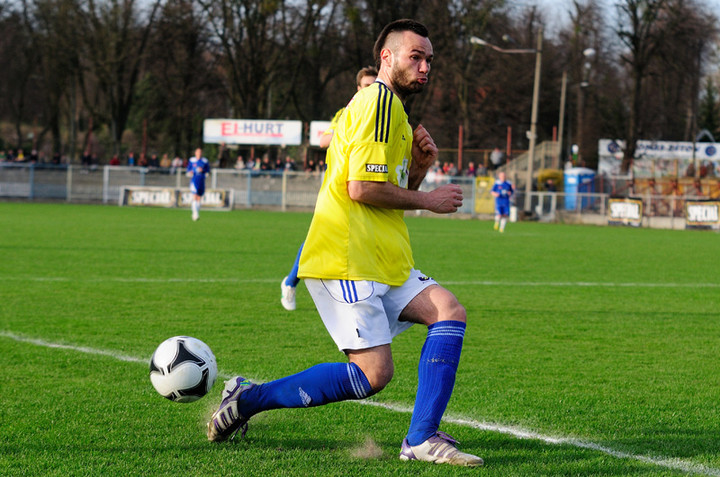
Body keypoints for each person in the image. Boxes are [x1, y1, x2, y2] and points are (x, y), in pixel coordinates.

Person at [208, 19, 483, 467]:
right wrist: (429, 199)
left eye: (430, 59)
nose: (425, 66)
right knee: (374, 374)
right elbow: (359, 189)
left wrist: (419, 168)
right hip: (348, 256)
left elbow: (385, 191)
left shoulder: (393, 112)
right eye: (416, 56)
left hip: (383, 255)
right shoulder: (376, 104)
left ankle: (422, 437)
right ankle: (249, 398)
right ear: (386, 57)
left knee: (449, 311)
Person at [281, 66, 378, 311]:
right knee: (319, 237)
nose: (371, 90)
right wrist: (350, 133)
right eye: (366, 86)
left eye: (374, 85)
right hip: (338, 186)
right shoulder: (347, 113)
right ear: (358, 89)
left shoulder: (383, 115)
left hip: (368, 184)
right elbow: (323, 140)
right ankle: (291, 281)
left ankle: (364, 295)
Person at [186, 147, 210, 221]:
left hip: (201, 181)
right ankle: (195, 213)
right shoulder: (192, 160)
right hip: (194, 180)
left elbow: (208, 171)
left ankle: (196, 213)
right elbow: (188, 170)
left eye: (200, 152)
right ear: (195, 153)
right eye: (198, 152)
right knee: (195, 196)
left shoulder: (205, 161)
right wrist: (191, 172)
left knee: (199, 197)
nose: (199, 153)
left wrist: (203, 171)